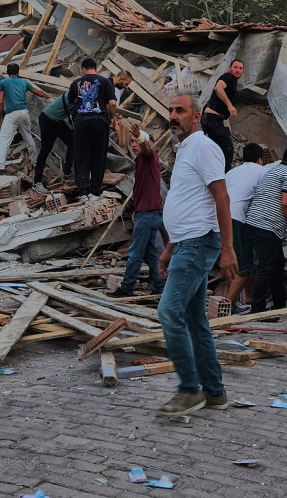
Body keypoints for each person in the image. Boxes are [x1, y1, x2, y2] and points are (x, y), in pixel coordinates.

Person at [155, 93, 236, 417]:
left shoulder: (203, 147)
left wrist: (228, 249)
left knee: (168, 312)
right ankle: (215, 393)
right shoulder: (185, 150)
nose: (173, 115)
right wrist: (169, 248)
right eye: (171, 110)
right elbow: (190, 205)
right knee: (195, 320)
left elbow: (222, 198)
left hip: (199, 244)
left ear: (196, 116)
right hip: (186, 243)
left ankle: (190, 390)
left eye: (180, 110)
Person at [243, 146, 287, 313]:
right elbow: (286, 203)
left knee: (277, 264)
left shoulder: (273, 171)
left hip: (257, 223)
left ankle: (279, 302)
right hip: (266, 225)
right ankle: (257, 308)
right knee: (266, 266)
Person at [110, 127, 165, 297]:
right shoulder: (140, 162)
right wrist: (136, 209)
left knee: (135, 252)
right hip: (147, 212)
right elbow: (141, 190)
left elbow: (148, 149)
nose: (133, 144)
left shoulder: (150, 157)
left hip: (148, 213)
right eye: (132, 141)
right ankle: (159, 286)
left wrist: (141, 137)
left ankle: (127, 288)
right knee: (150, 252)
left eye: (137, 141)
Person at [222, 143, 268, 310]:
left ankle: (248, 300)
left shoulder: (232, 172)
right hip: (236, 219)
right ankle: (225, 307)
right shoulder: (261, 171)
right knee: (244, 270)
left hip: (219, 218)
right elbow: (264, 199)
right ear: (260, 159)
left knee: (244, 262)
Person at [68, 58, 116, 198]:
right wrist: (111, 118)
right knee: (99, 155)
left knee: (81, 155)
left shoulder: (75, 83)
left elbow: (71, 101)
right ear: (96, 68)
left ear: (83, 69)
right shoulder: (105, 81)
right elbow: (112, 103)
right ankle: (95, 189)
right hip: (99, 121)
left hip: (81, 122)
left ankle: (83, 189)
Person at [0, 63, 50, 177]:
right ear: (18, 72)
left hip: (11, 114)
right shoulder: (24, 82)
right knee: (28, 137)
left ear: (7, 72)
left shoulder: (3, 83)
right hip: (24, 112)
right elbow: (38, 92)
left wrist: (0, 116)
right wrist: (47, 95)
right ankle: (34, 162)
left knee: (4, 140)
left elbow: (0, 102)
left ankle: (0, 168)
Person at [201, 60, 243, 171]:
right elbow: (218, 88)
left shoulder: (233, 81)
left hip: (211, 119)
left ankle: (211, 171)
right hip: (212, 119)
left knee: (215, 149)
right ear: (230, 68)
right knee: (227, 149)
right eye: (235, 67)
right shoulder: (228, 77)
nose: (238, 70)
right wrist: (229, 105)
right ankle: (224, 177)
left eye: (240, 68)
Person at [34, 89, 76, 190]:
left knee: (73, 141)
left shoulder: (81, 93)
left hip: (58, 120)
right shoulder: (77, 95)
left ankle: (67, 172)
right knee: (45, 150)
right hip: (48, 119)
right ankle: (37, 182)